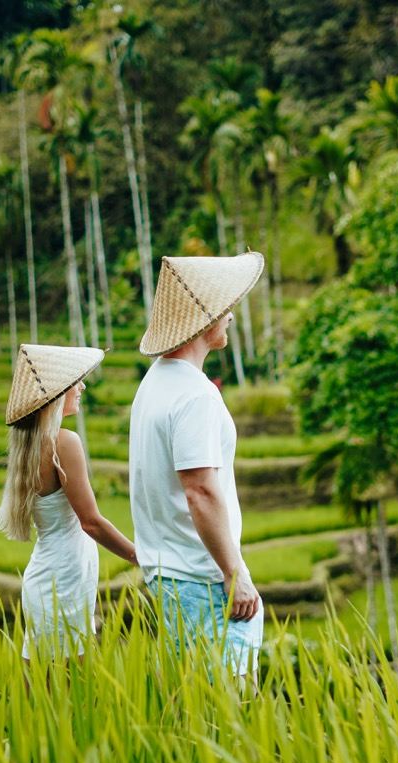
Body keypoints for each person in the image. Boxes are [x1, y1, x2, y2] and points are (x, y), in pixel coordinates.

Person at [129, 252, 265, 678]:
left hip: (170, 576)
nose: (230, 315)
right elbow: (200, 491)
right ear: (204, 319)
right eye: (224, 307)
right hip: (201, 579)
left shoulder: (154, 383)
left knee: (193, 710)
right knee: (232, 711)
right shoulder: (195, 396)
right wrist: (233, 572)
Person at [0, 343, 136, 660]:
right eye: (76, 381)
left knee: (47, 694)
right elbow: (91, 522)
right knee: (69, 689)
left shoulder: (32, 445)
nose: (82, 386)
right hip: (63, 581)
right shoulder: (64, 442)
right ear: (56, 393)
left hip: (53, 576)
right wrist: (140, 557)